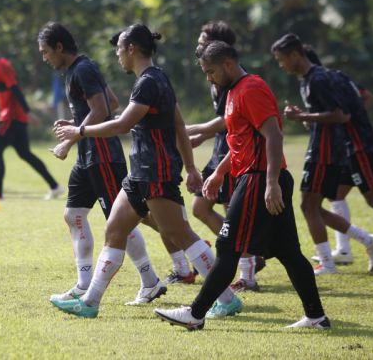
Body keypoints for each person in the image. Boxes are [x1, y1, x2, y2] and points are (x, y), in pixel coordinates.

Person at [52, 24, 239, 319]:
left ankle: (227, 298)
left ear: (132, 49)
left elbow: (123, 124)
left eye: (119, 49)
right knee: (115, 230)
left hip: (156, 171)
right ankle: (89, 302)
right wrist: (191, 167)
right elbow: (177, 125)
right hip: (140, 172)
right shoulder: (157, 79)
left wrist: (80, 131)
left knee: (180, 233)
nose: (117, 56)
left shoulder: (149, 82)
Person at [155, 41, 330, 330]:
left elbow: (273, 135)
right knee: (289, 252)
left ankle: (195, 314)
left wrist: (271, 183)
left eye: (211, 72)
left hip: (259, 179)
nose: (209, 79)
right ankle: (316, 317)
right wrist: (219, 173)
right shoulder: (234, 92)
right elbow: (242, 141)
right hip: (256, 176)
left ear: (227, 64)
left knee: (227, 246)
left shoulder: (251, 89)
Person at [39, 22, 170, 305]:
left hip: (103, 157)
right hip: (88, 156)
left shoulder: (83, 69)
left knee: (120, 222)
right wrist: (74, 122)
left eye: (46, 52)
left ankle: (151, 279)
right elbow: (111, 102)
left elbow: (101, 109)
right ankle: (84, 283)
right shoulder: (77, 69)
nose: (44, 58)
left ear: (59, 47)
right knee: (73, 214)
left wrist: (70, 139)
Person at [271, 34, 373, 275]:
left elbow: (340, 114)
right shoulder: (306, 81)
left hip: (326, 151)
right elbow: (323, 116)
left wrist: (301, 116)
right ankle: (367, 240)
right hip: (321, 148)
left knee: (308, 205)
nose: (281, 65)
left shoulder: (319, 78)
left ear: (294, 55)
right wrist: (305, 118)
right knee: (312, 206)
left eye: (282, 59)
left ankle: (328, 263)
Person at [187, 21, 265, 292]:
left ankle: (247, 273)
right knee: (201, 207)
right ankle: (246, 255)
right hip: (221, 149)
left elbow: (227, 120)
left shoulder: (235, 79)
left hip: (235, 153)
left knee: (235, 216)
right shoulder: (214, 75)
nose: (198, 45)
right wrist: (203, 136)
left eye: (202, 41)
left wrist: (190, 129)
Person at [0, 37, 63, 200]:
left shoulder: (2, 65)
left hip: (11, 117)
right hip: (10, 116)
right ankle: (55, 187)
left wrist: (28, 112)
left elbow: (15, 89)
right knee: (25, 153)